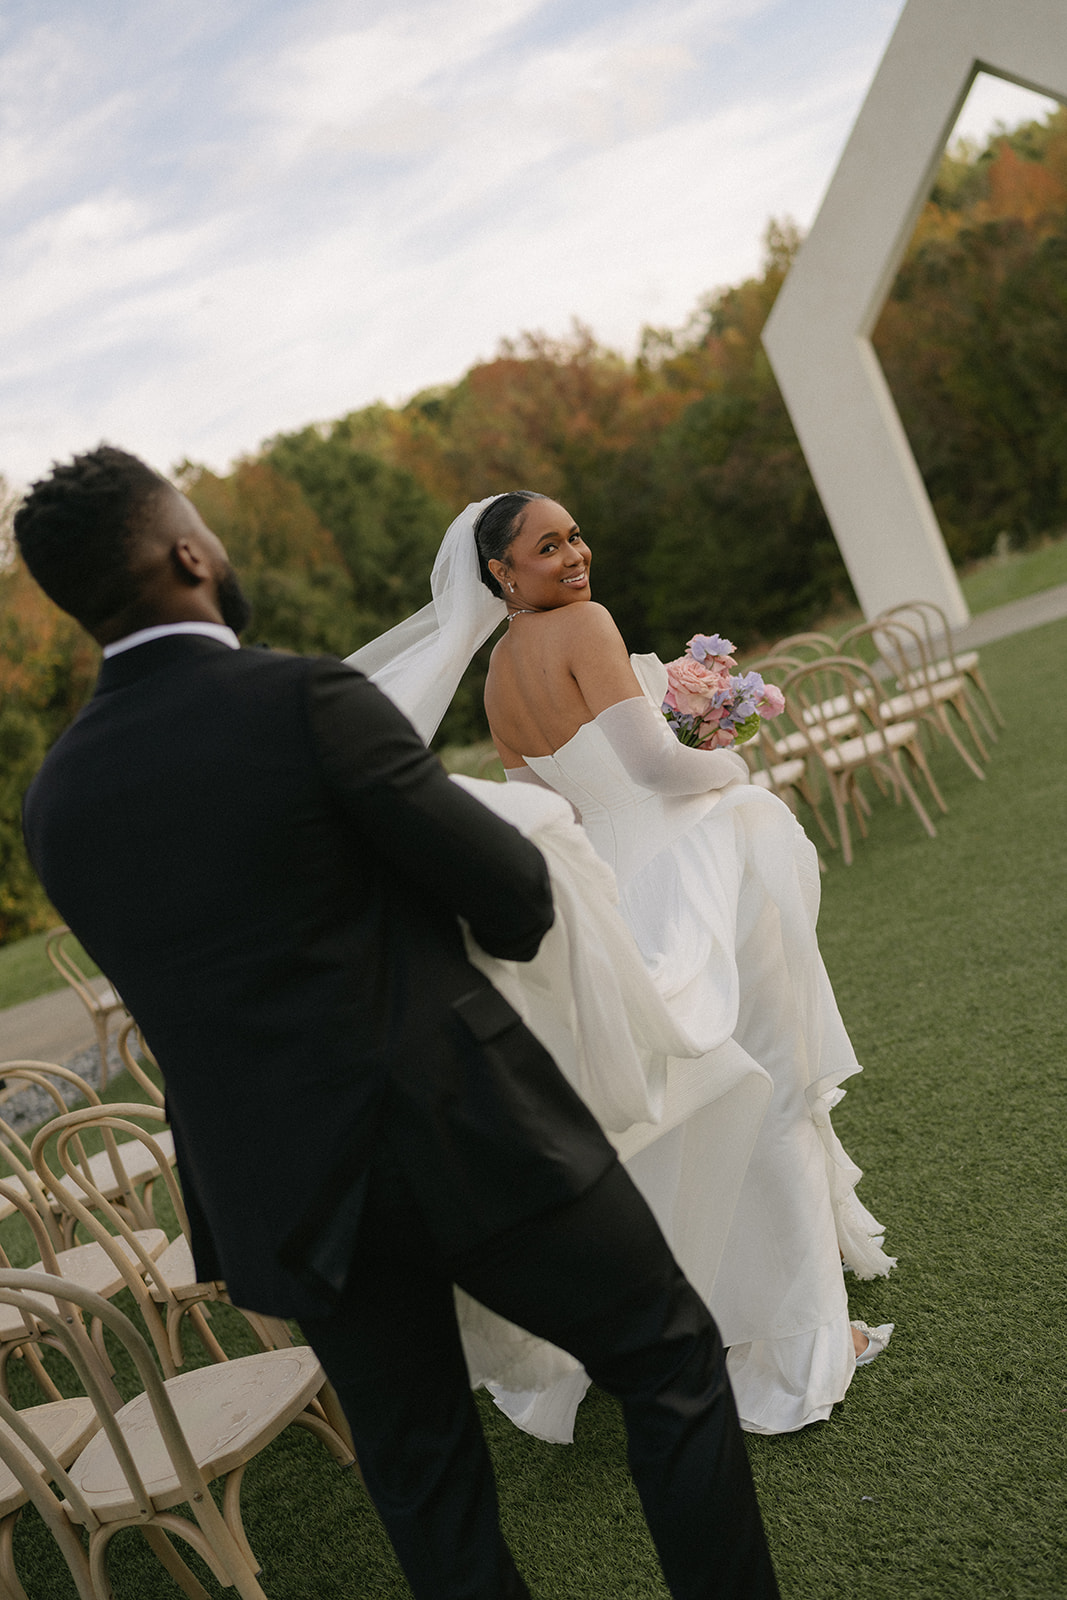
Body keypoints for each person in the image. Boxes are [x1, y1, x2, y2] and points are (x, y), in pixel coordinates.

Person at [17, 448, 780, 1600]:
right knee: (665, 1352)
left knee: (422, 1475)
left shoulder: (56, 801)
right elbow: (513, 899)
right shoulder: (303, 699)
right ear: (186, 554)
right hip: (459, 1124)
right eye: (204, 531)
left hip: (282, 1190)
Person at [348, 490, 895, 1441]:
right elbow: (652, 768)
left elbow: (557, 812)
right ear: (499, 575)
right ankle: (802, 1340)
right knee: (764, 1088)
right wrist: (729, 765)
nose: (573, 556)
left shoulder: (494, 681)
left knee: (694, 1108)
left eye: (573, 536)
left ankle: (701, 1319)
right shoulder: (586, 625)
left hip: (624, 896)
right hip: (692, 868)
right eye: (545, 546)